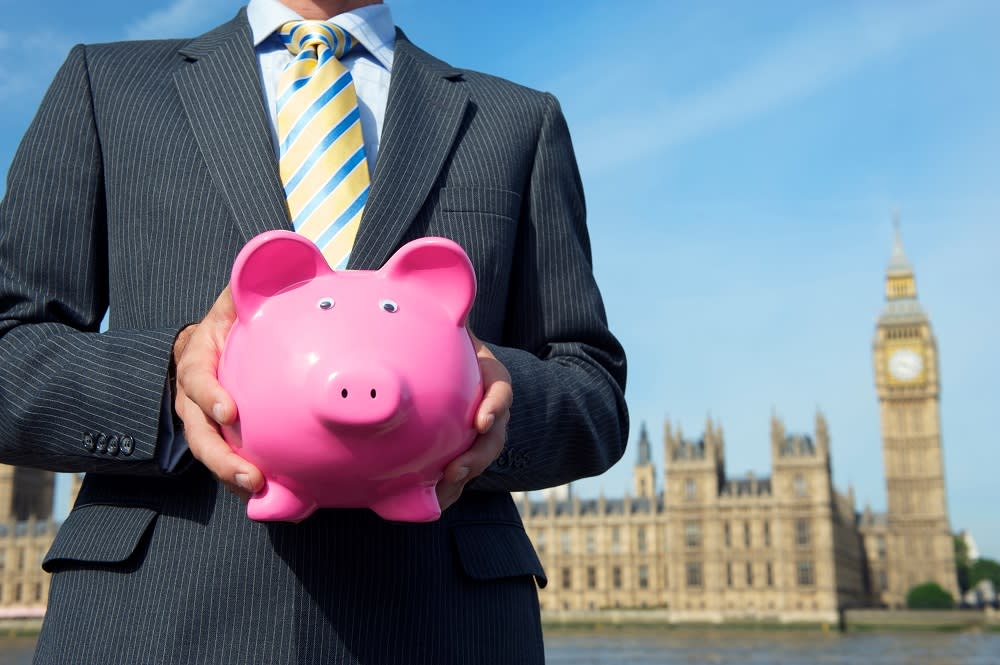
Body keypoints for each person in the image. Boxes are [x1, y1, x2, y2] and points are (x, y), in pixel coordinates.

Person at [0, 0, 628, 662]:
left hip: (444, 625)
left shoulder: (517, 121)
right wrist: (170, 376)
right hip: (154, 618)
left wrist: (491, 399)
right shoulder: (108, 85)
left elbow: (591, 387)